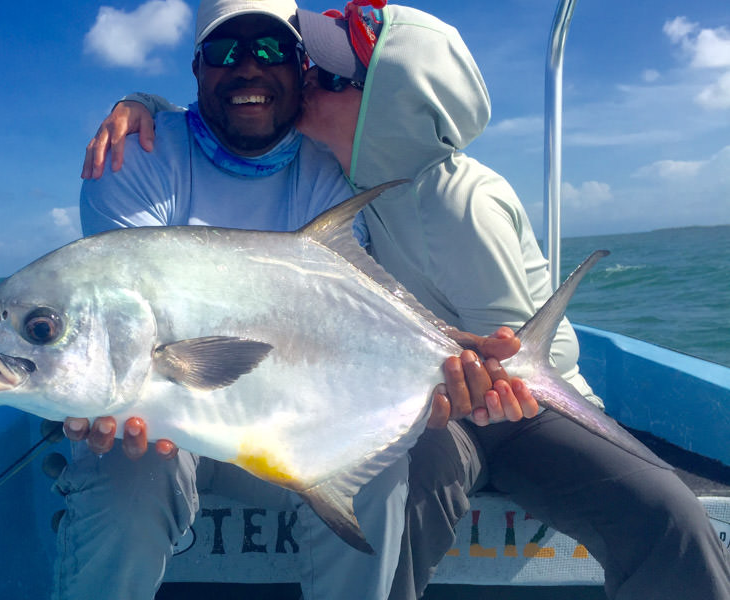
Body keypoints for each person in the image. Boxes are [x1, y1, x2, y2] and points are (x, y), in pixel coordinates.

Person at [85, 2, 730, 599]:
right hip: (422, 394)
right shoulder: (337, 165)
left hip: (515, 399)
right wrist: (138, 100)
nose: (303, 82)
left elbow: (500, 368)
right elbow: (217, 116)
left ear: (387, 106)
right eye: (311, 71)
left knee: (659, 510)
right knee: (392, 479)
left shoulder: (457, 199)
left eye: (329, 79)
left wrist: (482, 374)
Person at [57, 1, 536, 599]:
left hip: (289, 421)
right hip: (164, 427)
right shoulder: (132, 156)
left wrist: (446, 367)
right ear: (197, 69)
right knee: (128, 465)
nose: (248, 68)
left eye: (272, 50)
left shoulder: (333, 166)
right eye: (224, 51)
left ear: (303, 66)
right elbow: (115, 325)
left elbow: (352, 320)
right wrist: (141, 103)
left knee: (376, 472)